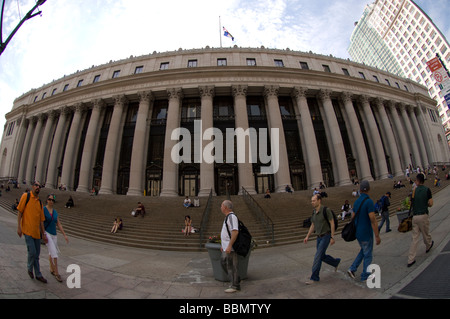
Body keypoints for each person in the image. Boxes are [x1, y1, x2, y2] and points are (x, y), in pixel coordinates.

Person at [347, 180, 381, 282]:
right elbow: (373, 219)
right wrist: (377, 235)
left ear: (360, 190)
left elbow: (352, 217)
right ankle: (365, 276)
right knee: (368, 254)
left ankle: (352, 268)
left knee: (364, 250)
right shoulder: (369, 201)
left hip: (358, 232)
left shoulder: (356, 202)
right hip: (366, 231)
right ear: (369, 189)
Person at [303, 194, 340, 285]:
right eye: (311, 201)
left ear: (319, 201)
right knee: (321, 256)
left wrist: (332, 237)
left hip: (326, 236)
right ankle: (335, 262)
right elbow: (313, 225)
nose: (312, 202)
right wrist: (307, 236)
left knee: (317, 256)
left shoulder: (326, 210)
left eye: (314, 200)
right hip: (318, 237)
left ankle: (314, 277)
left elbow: (332, 223)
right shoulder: (314, 212)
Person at [16, 181, 48, 283]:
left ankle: (36, 273)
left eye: (40, 186)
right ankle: (32, 270)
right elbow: (20, 212)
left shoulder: (39, 202)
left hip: (37, 233)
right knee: (33, 252)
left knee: (36, 255)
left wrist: (43, 234)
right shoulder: (26, 196)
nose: (38, 187)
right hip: (27, 231)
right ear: (32, 187)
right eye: (36, 185)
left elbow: (41, 221)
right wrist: (19, 227)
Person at [407, 173, 434, 267]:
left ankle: (410, 259)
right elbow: (431, 203)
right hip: (423, 215)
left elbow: (411, 202)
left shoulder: (413, 191)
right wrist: (425, 203)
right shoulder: (427, 190)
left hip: (415, 217)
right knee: (426, 233)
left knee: (415, 238)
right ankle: (428, 245)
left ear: (418, 181)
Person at [44, 195, 69, 282]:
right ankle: (56, 273)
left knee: (51, 252)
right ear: (47, 200)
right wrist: (43, 234)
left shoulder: (55, 212)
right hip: (46, 233)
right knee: (54, 253)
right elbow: (40, 222)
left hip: (54, 234)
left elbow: (58, 224)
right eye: (49, 199)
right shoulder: (43, 210)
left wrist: (64, 235)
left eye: (53, 200)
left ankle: (51, 268)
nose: (51, 201)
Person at [220, 200, 240, 293]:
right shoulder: (227, 217)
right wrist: (223, 245)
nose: (220, 207)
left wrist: (229, 245)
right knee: (224, 262)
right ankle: (236, 279)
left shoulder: (232, 217)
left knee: (231, 265)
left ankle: (235, 285)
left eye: (221, 206)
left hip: (230, 247)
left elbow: (235, 231)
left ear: (225, 207)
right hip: (226, 247)